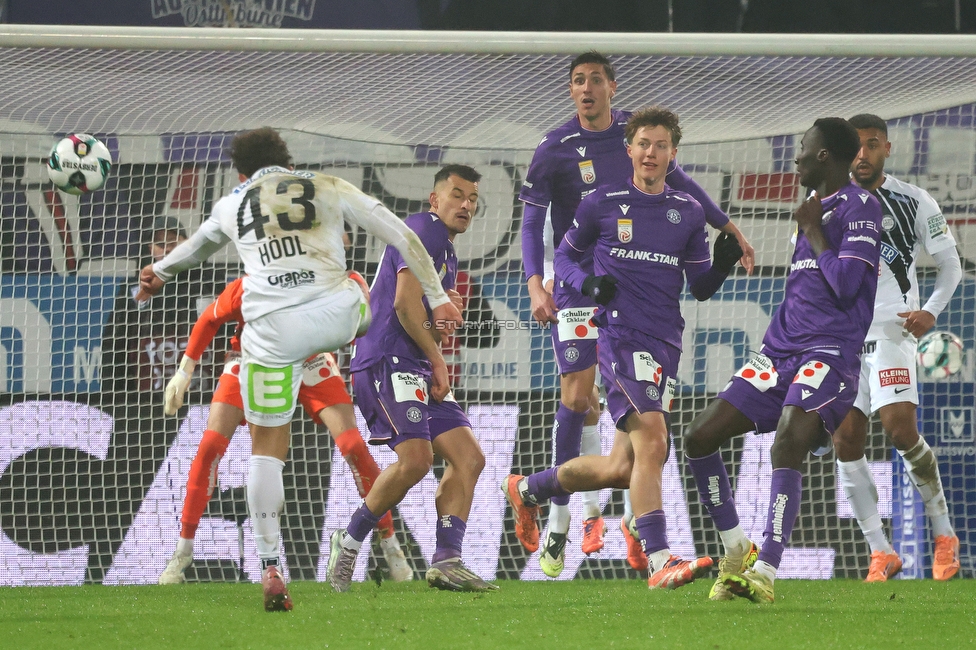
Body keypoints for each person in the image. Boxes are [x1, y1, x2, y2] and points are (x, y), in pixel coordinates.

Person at [135, 127, 461, 611]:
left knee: (265, 455)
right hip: (336, 319)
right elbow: (401, 232)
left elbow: (198, 247)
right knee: (355, 282)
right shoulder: (327, 185)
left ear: (242, 173)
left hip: (267, 337)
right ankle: (364, 335)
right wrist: (436, 298)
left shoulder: (232, 202)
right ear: (288, 162)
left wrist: (158, 273)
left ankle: (270, 566)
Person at [519, 51, 755, 576]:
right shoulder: (555, 150)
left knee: (626, 461)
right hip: (582, 287)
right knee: (583, 399)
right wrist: (539, 284)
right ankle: (571, 526)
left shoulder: (647, 145)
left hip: (655, 323)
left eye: (595, 81)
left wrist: (727, 228)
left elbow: (688, 193)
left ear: (612, 89)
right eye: (577, 81)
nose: (586, 89)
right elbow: (534, 224)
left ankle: (537, 490)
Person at [683, 117, 882, 603]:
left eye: (801, 146)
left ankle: (766, 569)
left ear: (824, 156)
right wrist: (810, 224)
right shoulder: (812, 208)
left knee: (790, 439)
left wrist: (814, 232)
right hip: (779, 351)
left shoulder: (861, 208)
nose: (794, 156)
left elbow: (847, 286)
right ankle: (737, 548)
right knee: (697, 437)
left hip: (830, 354)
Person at [157, 275, 413, 586]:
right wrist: (184, 373)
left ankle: (391, 546)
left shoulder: (330, 277)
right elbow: (210, 318)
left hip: (309, 358)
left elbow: (361, 321)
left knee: (352, 446)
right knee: (211, 445)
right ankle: (182, 553)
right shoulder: (251, 283)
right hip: (253, 359)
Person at [327, 164, 497, 593]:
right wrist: (439, 358)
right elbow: (404, 305)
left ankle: (447, 560)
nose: (465, 205)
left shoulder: (447, 250)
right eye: (456, 195)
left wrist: (439, 316)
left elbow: (418, 307)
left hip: (413, 364)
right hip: (387, 360)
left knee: (469, 458)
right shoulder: (425, 229)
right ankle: (347, 541)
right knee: (417, 461)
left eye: (473, 199)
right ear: (434, 201)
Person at [832, 113, 962, 582]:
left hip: (892, 333)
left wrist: (930, 311)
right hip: (842, 340)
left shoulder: (913, 199)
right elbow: (805, 266)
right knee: (845, 439)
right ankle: (879, 550)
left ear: (887, 148)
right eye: (857, 146)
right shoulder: (824, 200)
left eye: (872, 145)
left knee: (899, 429)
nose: (863, 154)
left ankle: (944, 534)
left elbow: (951, 266)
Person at [101, 215, 226, 398]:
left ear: (187, 244)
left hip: (204, 393)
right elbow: (115, 344)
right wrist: (115, 394)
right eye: (160, 244)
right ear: (150, 249)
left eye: (173, 242)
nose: (167, 249)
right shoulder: (135, 289)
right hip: (149, 397)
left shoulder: (211, 282)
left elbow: (228, 332)